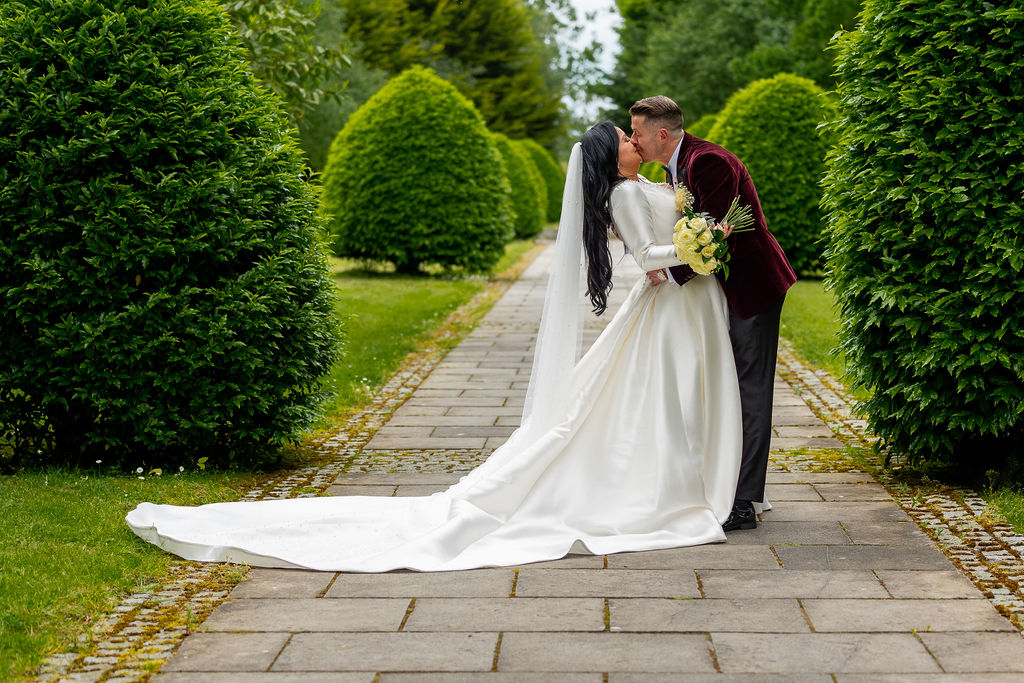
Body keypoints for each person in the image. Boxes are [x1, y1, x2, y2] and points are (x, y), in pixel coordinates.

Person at [125, 122, 742, 571]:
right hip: (666, 305)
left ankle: (686, 479)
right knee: (649, 403)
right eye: (628, 138)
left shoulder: (651, 184)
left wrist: (697, 240)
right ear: (614, 157)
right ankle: (670, 488)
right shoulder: (629, 192)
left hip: (677, 308)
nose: (637, 141)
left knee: (651, 401)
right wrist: (697, 247)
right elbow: (646, 259)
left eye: (638, 135)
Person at [628, 96, 797, 531]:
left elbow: (720, 237)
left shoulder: (708, 163)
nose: (634, 140)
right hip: (724, 289)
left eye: (639, 133)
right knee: (730, 387)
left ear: (661, 134)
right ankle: (726, 483)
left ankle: (743, 501)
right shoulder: (677, 166)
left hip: (752, 287)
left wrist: (668, 271)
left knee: (750, 390)